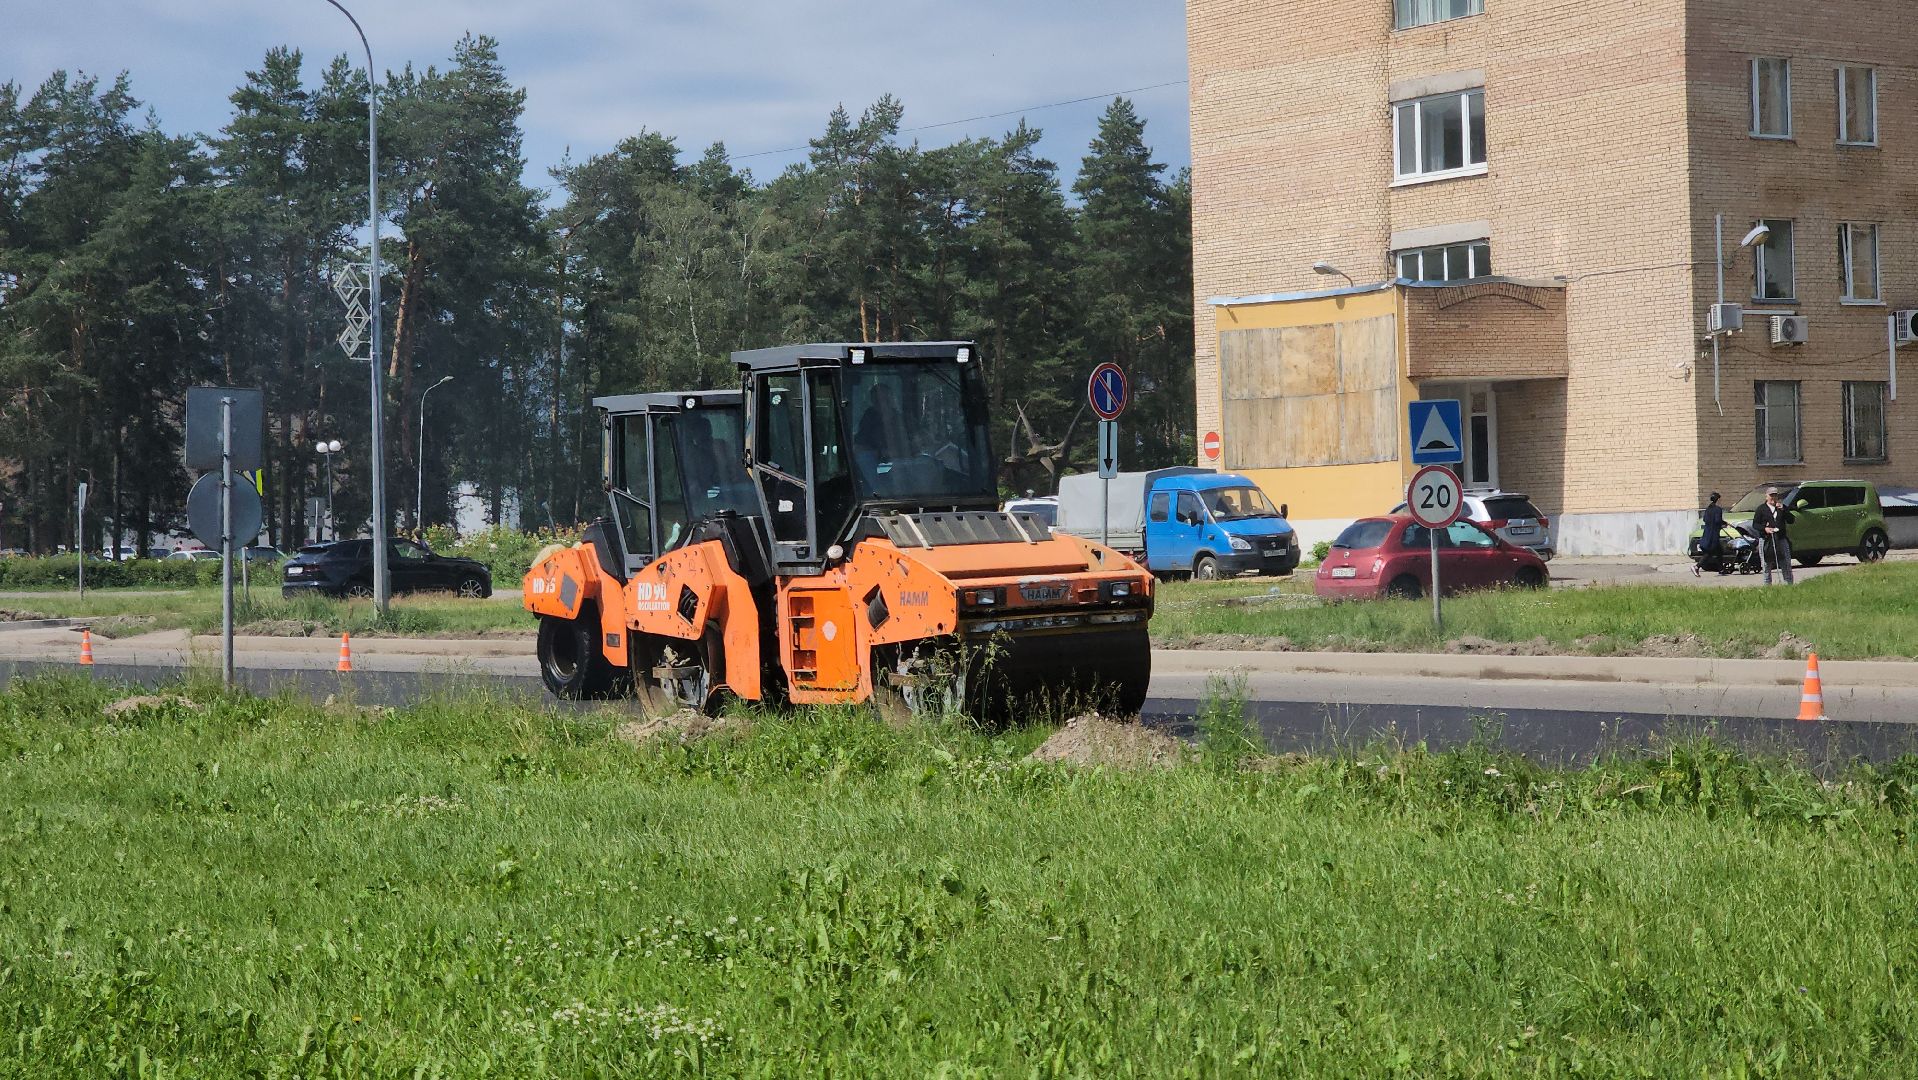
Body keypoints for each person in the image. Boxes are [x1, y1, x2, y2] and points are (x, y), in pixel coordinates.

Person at [1751, 486, 1795, 585]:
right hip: (1766, 540)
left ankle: (1789, 584)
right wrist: (1765, 529)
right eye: (1771, 495)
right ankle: (1767, 586)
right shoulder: (1761, 509)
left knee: (1786, 563)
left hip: (1780, 539)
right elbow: (1755, 524)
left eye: (1775, 495)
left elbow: (1791, 520)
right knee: (1766, 565)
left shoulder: (1782, 507)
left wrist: (1784, 510)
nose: (1773, 498)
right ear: (1766, 496)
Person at [1699, 492, 1725, 556]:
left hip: (1707, 531)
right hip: (1714, 533)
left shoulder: (1708, 508)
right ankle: (1697, 566)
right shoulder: (1718, 509)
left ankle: (1720, 566)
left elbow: (1705, 519)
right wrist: (1723, 524)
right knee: (1710, 552)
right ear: (1718, 500)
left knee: (1718, 552)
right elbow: (1718, 520)